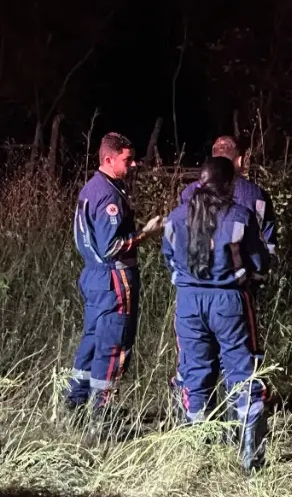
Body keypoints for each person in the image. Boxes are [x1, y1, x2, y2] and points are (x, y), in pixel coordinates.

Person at [163, 156, 271, 471]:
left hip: (188, 302)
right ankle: (251, 456)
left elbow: (168, 259)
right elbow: (260, 262)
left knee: (194, 373)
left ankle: (197, 455)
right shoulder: (241, 216)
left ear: (201, 180)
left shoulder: (175, 217)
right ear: (230, 184)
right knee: (243, 374)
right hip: (230, 302)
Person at [65, 132, 162, 417]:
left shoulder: (91, 188)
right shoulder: (108, 194)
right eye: (127, 160)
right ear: (109, 159)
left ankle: (74, 404)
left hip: (94, 277)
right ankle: (101, 416)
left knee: (92, 340)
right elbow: (112, 247)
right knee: (114, 345)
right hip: (114, 279)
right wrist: (147, 234)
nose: (133, 165)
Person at [179, 136, 277, 254]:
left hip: (196, 266)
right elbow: (267, 240)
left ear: (211, 162)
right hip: (242, 267)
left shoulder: (188, 192)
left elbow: (181, 234)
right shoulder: (256, 195)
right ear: (240, 161)